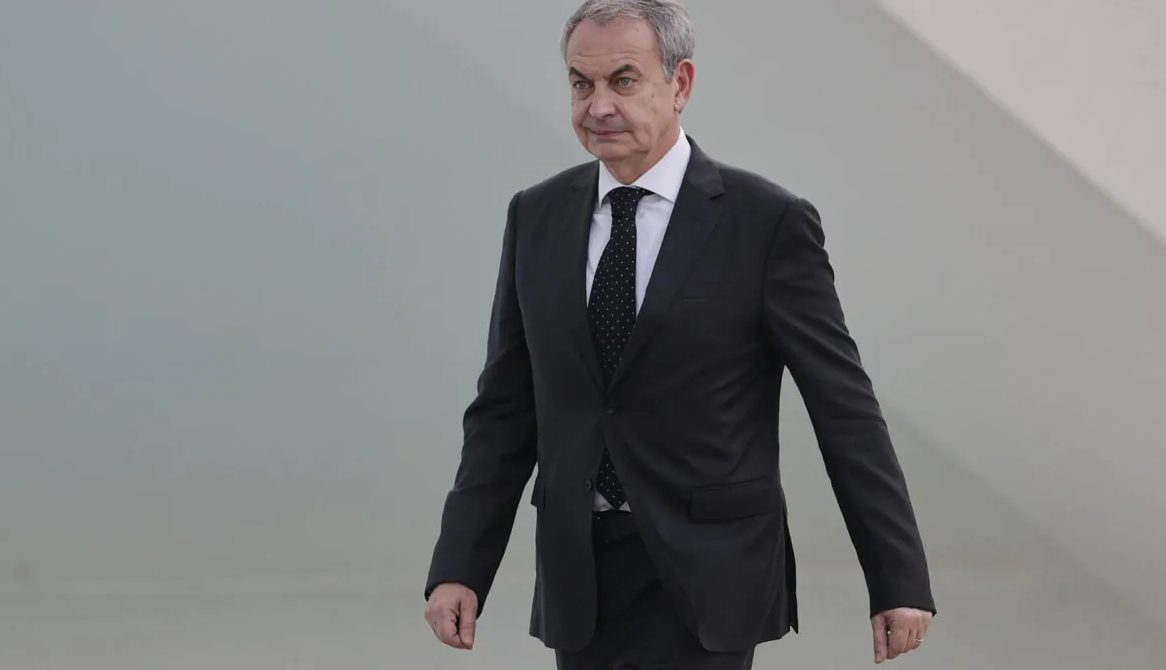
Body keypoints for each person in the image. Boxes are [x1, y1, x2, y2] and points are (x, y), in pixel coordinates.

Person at [423, 1, 936, 667]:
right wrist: (460, 566)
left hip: (712, 572)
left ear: (680, 83)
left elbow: (844, 409)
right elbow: (504, 409)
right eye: (581, 83)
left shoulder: (766, 223)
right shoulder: (536, 216)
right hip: (580, 576)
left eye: (623, 80)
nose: (598, 106)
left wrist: (898, 580)